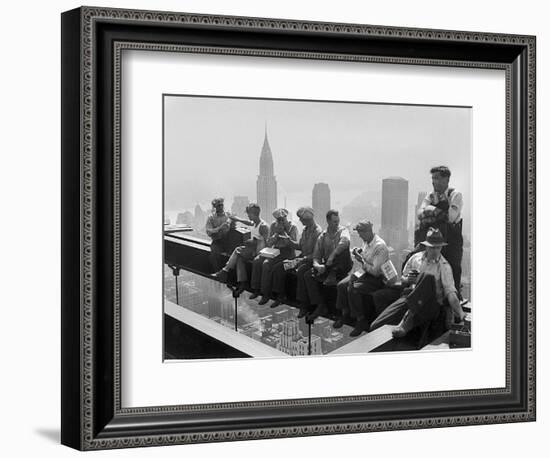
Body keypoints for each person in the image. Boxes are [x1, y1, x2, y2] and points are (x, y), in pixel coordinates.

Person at [370, 227, 466, 339]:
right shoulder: (415, 258)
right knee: (375, 326)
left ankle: (405, 323)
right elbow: (403, 279)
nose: (435, 251)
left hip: (430, 303)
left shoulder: (444, 266)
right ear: (426, 246)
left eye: (438, 247)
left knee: (427, 278)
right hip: (410, 297)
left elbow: (451, 294)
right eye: (432, 247)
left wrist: (461, 314)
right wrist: (408, 280)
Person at [334, 221, 391, 337]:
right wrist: (359, 253)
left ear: (368, 231)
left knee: (353, 288)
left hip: (376, 278)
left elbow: (375, 272)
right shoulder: (366, 241)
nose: (359, 235)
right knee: (341, 285)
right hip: (364, 272)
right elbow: (366, 258)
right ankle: (345, 314)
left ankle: (360, 319)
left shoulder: (380, 246)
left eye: (360, 232)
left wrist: (361, 261)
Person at [417, 166, 464, 294]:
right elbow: (420, 214)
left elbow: (450, 217)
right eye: (433, 178)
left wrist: (432, 210)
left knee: (453, 266)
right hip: (434, 238)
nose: (433, 181)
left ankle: (454, 299)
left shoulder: (455, 195)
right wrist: (436, 212)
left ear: (446, 180)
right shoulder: (431, 196)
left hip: (452, 239)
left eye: (437, 178)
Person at [269, 207, 323, 312]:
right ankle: (281, 295)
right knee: (279, 267)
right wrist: (288, 241)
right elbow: (300, 246)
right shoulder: (305, 230)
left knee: (301, 271)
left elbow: (317, 254)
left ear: (307, 219)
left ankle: (303, 303)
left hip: (310, 261)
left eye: (302, 219)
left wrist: (302, 259)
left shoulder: (317, 232)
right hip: (302, 258)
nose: (300, 221)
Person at [303, 210, 353, 321]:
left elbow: (345, 242)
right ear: (328, 221)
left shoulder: (343, 231)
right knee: (308, 275)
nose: (337, 223)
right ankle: (320, 305)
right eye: (334, 221)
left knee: (342, 251)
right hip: (328, 265)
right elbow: (316, 256)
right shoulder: (323, 236)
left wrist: (332, 255)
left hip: (341, 265)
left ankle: (333, 274)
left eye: (338, 221)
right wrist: (317, 266)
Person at [211, 203, 269, 294]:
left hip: (258, 252)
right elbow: (246, 222)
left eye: (249, 214)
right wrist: (235, 218)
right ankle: (242, 284)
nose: (248, 215)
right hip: (252, 249)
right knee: (240, 259)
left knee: (238, 250)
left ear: (253, 214)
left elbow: (267, 243)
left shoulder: (263, 226)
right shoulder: (255, 223)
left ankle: (224, 271)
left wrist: (252, 242)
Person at [249, 208, 299, 305]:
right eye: (278, 219)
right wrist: (276, 235)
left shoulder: (293, 227)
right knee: (257, 261)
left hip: (287, 253)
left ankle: (267, 293)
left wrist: (284, 234)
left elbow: (295, 245)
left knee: (267, 264)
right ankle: (256, 288)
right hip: (274, 251)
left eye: (282, 219)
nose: (280, 221)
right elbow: (268, 243)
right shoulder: (273, 225)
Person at [205, 197, 235, 272]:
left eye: (222, 205)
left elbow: (234, 228)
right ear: (215, 207)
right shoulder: (211, 217)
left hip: (229, 241)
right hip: (217, 241)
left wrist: (232, 223)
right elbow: (209, 231)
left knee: (235, 254)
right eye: (218, 205)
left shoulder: (228, 215)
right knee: (214, 255)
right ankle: (218, 272)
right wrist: (219, 228)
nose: (221, 207)